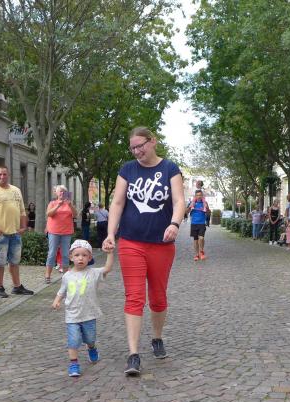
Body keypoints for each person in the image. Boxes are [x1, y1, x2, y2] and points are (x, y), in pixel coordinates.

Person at [102, 127, 185, 376]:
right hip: (131, 243)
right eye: (133, 148)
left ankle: (157, 337)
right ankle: (133, 354)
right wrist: (110, 233)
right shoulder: (127, 169)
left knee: (158, 297)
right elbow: (117, 203)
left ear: (153, 141)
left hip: (161, 244)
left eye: (140, 146)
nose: (137, 151)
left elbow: (179, 201)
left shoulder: (170, 168)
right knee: (134, 296)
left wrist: (174, 224)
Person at [52, 240, 114, 377]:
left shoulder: (93, 273)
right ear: (71, 257)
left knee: (90, 339)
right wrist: (57, 300)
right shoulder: (67, 276)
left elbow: (107, 268)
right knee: (73, 340)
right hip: (72, 315)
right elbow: (62, 291)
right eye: (77, 255)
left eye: (84, 255)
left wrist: (110, 253)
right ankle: (74, 364)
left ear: (90, 257)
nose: (80, 258)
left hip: (89, 314)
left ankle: (92, 348)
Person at [0, 166, 34, 297]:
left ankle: (17, 286)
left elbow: (22, 210)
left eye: (4, 174)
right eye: (0, 174)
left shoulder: (16, 190)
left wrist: (23, 227)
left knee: (15, 262)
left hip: (15, 233)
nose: (2, 176)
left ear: (8, 175)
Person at [45, 185, 75, 284]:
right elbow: (49, 214)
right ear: (56, 193)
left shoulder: (69, 203)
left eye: (64, 191)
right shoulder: (52, 203)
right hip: (54, 231)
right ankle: (47, 275)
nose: (62, 193)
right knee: (52, 253)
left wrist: (70, 205)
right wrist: (58, 205)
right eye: (60, 191)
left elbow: (75, 215)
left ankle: (65, 276)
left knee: (65, 254)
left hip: (66, 232)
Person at [187, 190, 209, 260]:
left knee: (201, 238)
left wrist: (207, 208)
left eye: (200, 195)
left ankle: (201, 252)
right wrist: (190, 207)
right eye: (197, 195)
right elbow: (186, 212)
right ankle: (196, 254)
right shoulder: (192, 203)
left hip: (202, 223)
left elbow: (208, 212)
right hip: (194, 223)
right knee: (195, 240)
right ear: (195, 196)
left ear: (202, 196)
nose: (199, 196)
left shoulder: (204, 203)